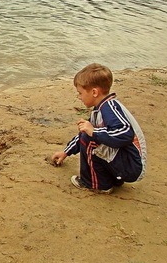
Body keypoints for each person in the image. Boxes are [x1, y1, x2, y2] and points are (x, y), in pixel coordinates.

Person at [51, 63, 147, 194]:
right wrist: (66, 152)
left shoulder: (110, 107)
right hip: (124, 162)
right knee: (89, 134)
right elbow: (86, 134)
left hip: (131, 165)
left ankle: (95, 184)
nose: (79, 97)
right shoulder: (100, 110)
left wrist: (94, 131)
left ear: (94, 92)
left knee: (89, 137)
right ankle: (111, 178)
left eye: (80, 93)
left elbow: (125, 133)